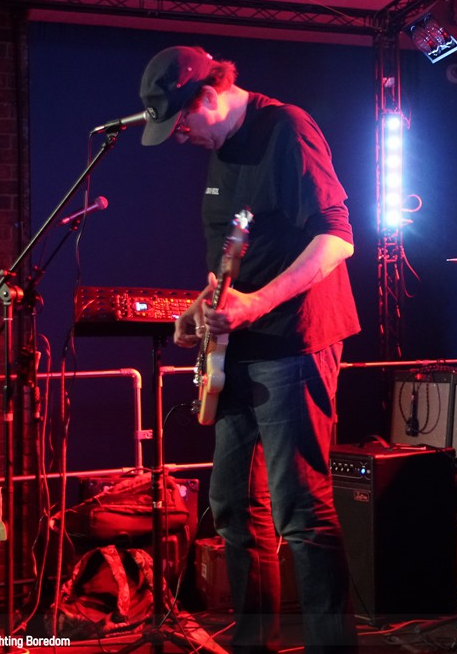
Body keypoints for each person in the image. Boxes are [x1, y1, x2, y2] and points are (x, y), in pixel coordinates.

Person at [138, 45, 361, 653]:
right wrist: (201, 310)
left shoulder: (287, 128)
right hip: (238, 348)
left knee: (301, 511)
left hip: (295, 340)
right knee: (233, 506)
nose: (180, 136)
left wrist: (256, 304)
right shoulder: (222, 151)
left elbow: (338, 239)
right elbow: (233, 255)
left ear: (209, 94)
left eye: (182, 122)